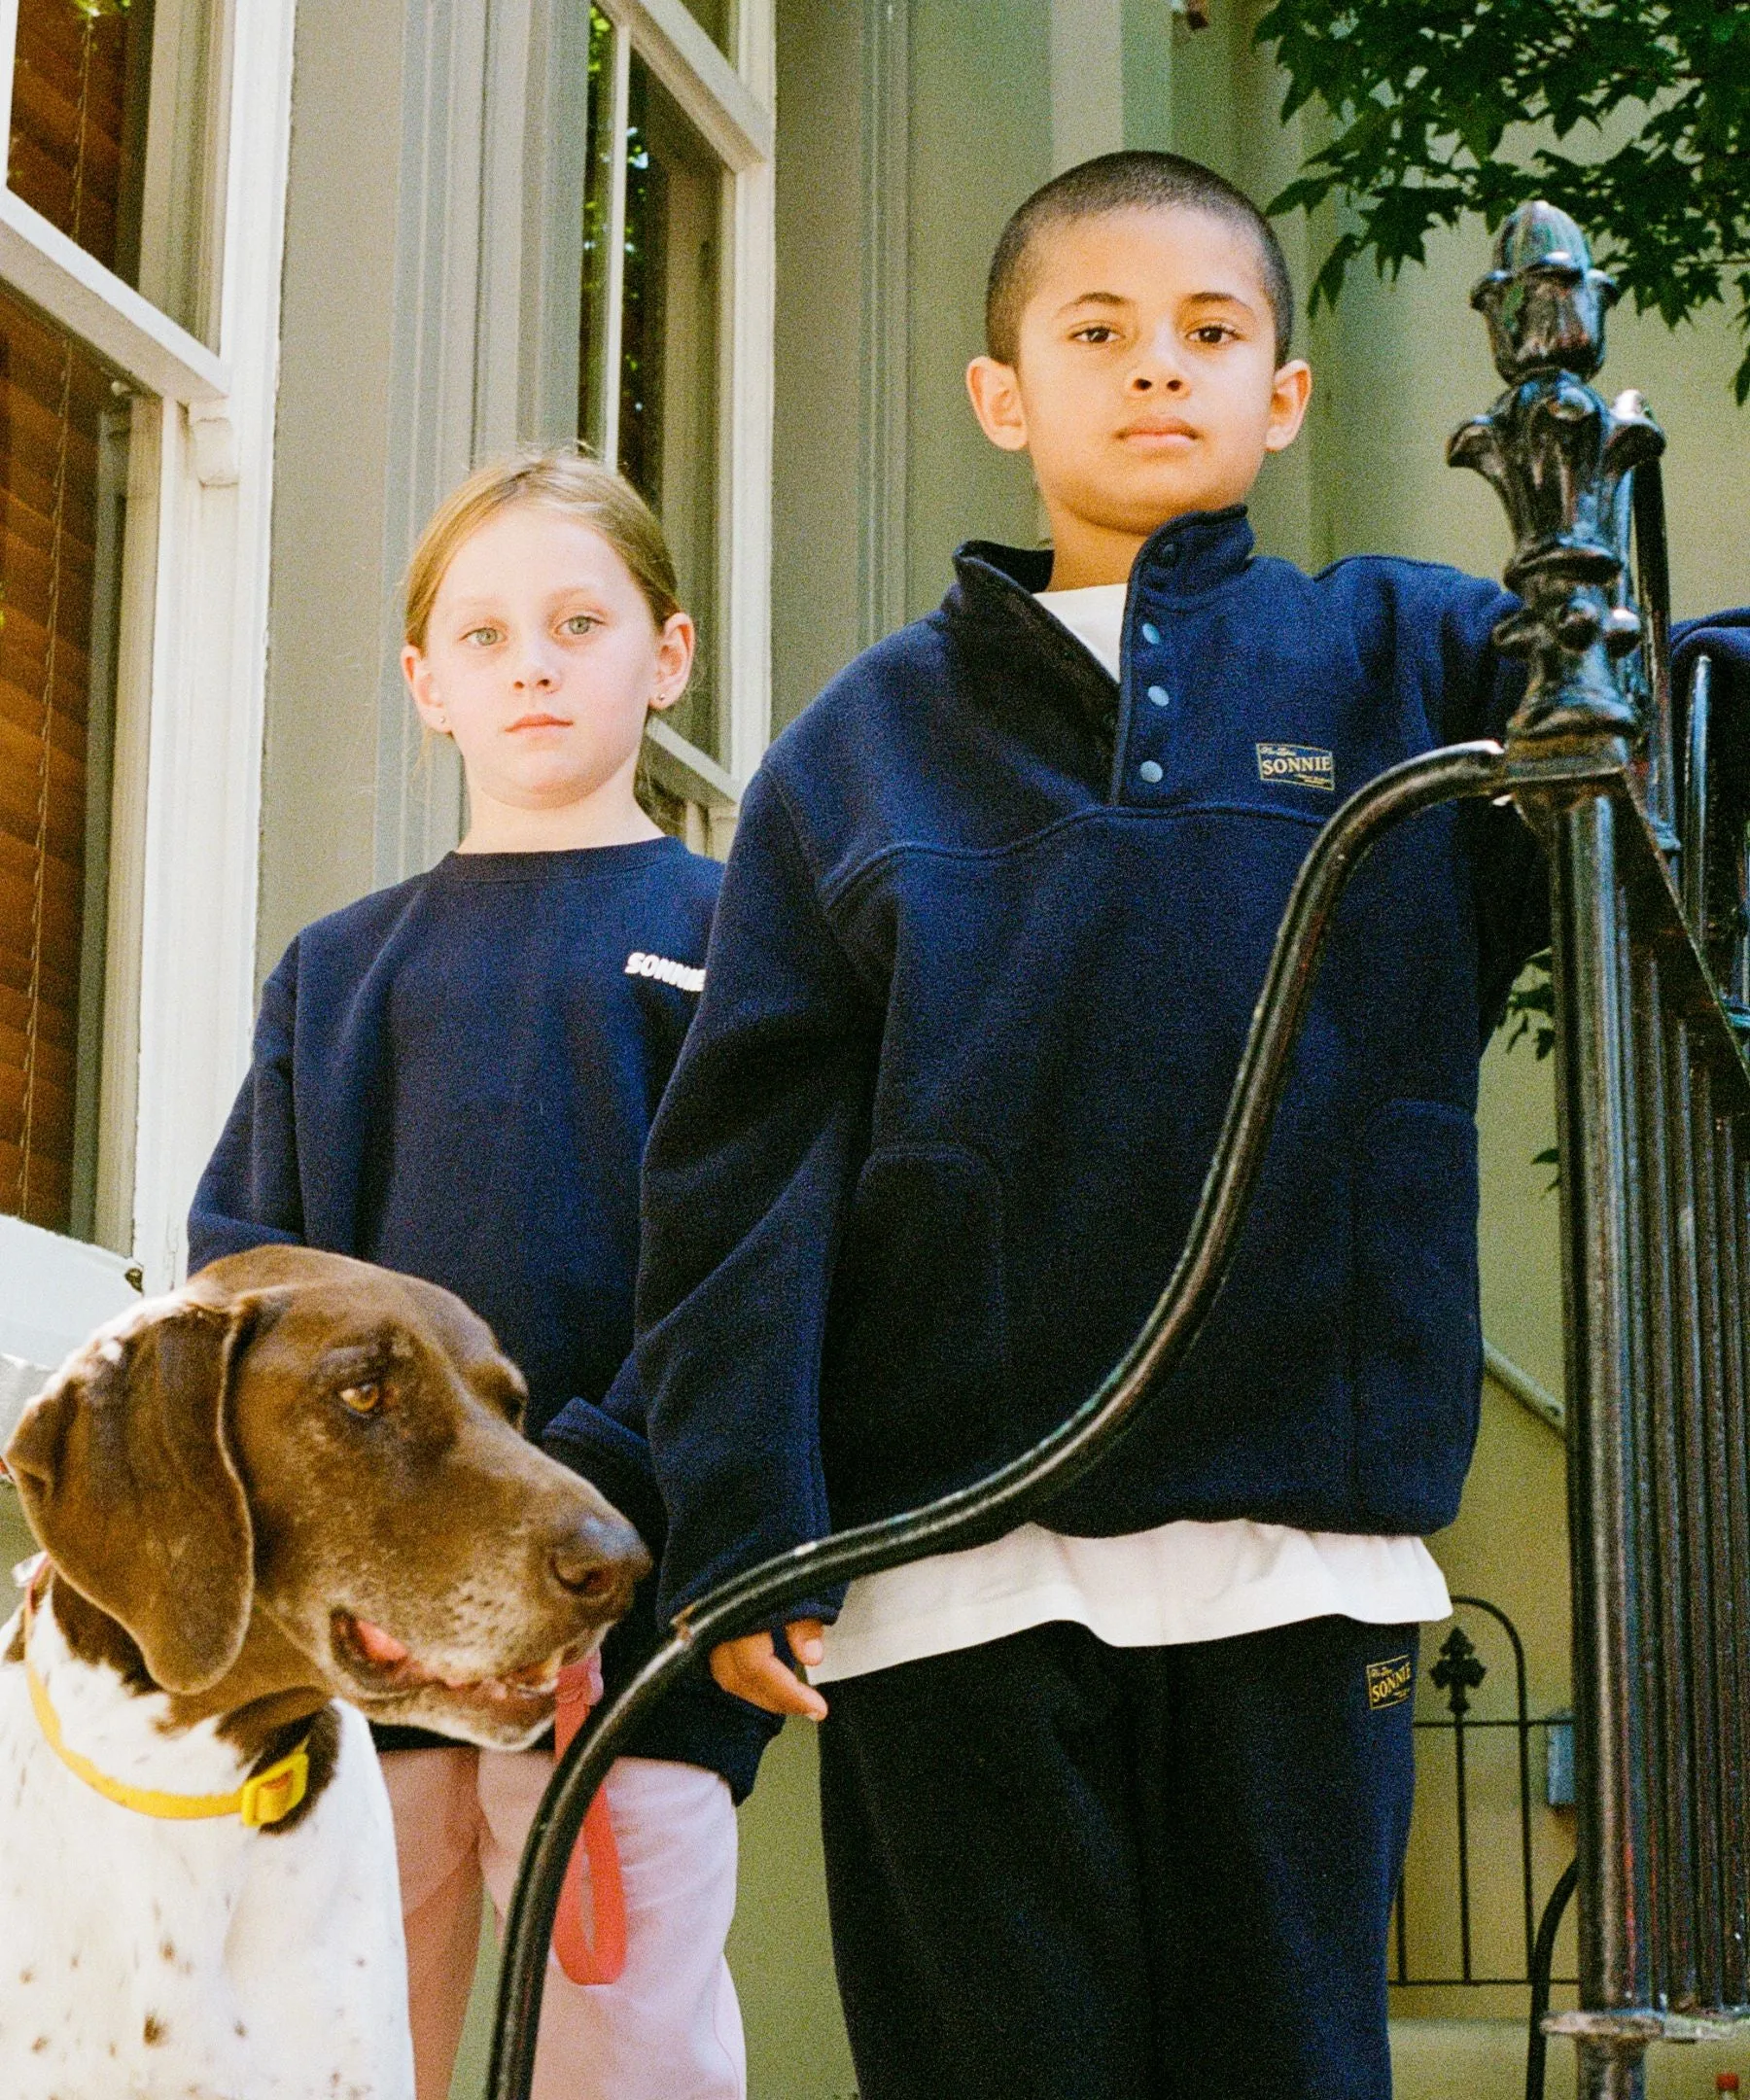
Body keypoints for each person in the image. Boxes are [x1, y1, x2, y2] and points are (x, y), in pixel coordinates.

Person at [550, 153, 1546, 2099]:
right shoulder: (863, 745)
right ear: (1005, 389)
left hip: (1302, 1552)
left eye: (1210, 331)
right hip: (950, 1573)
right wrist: (750, 1527)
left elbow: (1648, 749)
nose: (1155, 369)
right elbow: (744, 1169)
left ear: (1285, 394)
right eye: (1097, 331)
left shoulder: (1404, 658)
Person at [188, 449, 772, 2100]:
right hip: (369, 1653)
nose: (531, 662)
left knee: (626, 2052)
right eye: (489, 632)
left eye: (578, 622)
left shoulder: (738, 942)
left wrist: (569, 1505)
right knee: (344, 2056)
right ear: (424, 684)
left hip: (626, 1632)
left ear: (665, 659)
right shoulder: (341, 972)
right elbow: (246, 1280)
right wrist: (396, 1556)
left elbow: (745, 1272)